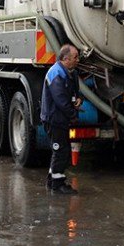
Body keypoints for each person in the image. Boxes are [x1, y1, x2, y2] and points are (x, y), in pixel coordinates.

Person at [41, 44, 82, 195]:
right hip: (55, 120)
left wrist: (79, 100)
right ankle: (58, 184)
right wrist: (73, 115)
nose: (78, 60)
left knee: (59, 150)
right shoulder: (56, 74)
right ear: (65, 59)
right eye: (75, 57)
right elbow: (61, 100)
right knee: (61, 151)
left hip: (61, 119)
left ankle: (52, 180)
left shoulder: (69, 73)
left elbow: (72, 95)